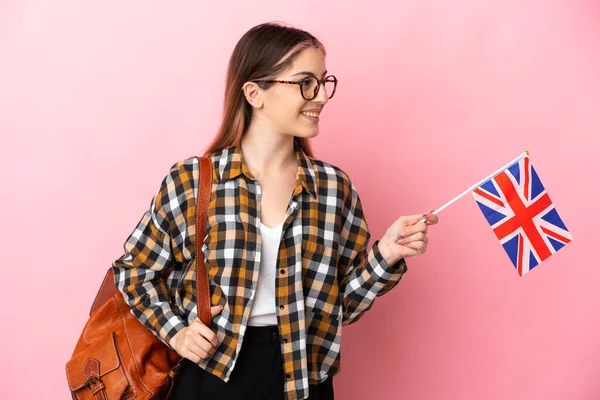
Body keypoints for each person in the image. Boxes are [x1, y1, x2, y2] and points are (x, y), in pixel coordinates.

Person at [112, 22, 439, 400]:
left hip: (304, 379)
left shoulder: (332, 188)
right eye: (305, 83)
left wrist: (386, 255)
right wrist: (177, 332)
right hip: (215, 377)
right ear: (254, 93)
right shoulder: (193, 181)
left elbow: (340, 307)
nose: (320, 97)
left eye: (323, 82)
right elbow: (133, 273)